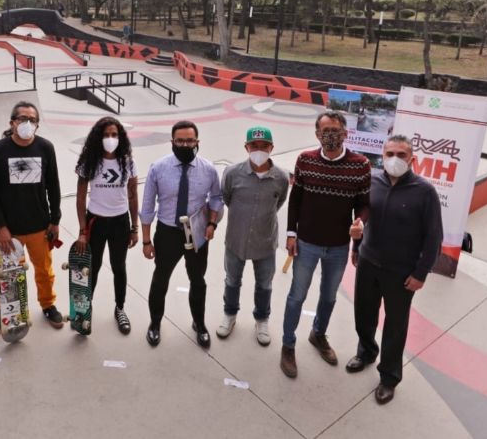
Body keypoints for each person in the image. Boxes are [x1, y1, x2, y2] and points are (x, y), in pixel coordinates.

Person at [346, 134, 443, 405]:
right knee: (364, 313)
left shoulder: (425, 192)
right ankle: (366, 352)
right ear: (382, 156)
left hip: (401, 273)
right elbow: (363, 220)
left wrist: (421, 273)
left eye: (401, 155)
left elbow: (433, 237)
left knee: (395, 325)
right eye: (390, 154)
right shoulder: (372, 183)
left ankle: (389, 376)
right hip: (368, 263)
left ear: (412, 159)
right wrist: (356, 247)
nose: (395, 159)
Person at [280, 111, 371, 379]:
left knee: (329, 297)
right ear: (317, 134)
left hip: (339, 246)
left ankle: (318, 333)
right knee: (297, 296)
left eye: (335, 130)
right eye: (325, 130)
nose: (330, 135)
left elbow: (364, 204)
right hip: (306, 243)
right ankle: (287, 345)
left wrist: (360, 225)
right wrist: (290, 234)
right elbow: (295, 199)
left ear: (345, 133)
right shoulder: (305, 160)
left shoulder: (360, 164)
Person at [140, 120, 223, 348]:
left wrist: (212, 224)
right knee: (160, 279)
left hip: (197, 232)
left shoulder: (208, 169)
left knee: (198, 281)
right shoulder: (158, 168)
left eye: (189, 140)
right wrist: (147, 241)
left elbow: (216, 198)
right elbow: (147, 207)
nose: (185, 145)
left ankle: (199, 323)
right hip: (168, 232)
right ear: (172, 142)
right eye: (180, 141)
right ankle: (155, 323)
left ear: (197, 142)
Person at [0, 101, 64, 338]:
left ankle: (48, 305)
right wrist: (0, 227)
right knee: (5, 274)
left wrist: (55, 219)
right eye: (22, 119)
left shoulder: (45, 147)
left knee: (45, 270)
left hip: (40, 226)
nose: (27, 124)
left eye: (32, 120)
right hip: (10, 230)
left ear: (37, 124)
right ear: (12, 123)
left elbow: (54, 186)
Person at [216, 127, 288, 346]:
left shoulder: (281, 177)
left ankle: (262, 319)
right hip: (236, 240)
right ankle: (230, 315)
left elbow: (279, 202)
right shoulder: (231, 173)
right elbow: (227, 199)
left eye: (264, 146)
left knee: (264, 283)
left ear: (271, 148)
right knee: (232, 280)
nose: (259, 150)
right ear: (246, 147)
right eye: (254, 146)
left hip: (265, 241)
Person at [74, 117, 139, 334]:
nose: (110, 139)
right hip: (96, 222)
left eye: (114, 135)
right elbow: (80, 198)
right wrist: (83, 231)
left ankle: (120, 308)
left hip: (120, 222)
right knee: (93, 267)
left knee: (119, 267)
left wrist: (134, 227)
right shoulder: (89, 161)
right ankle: (85, 309)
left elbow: (132, 195)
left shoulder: (127, 161)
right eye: (105, 135)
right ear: (97, 137)